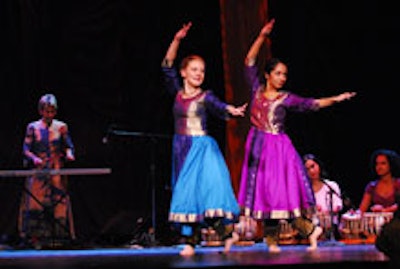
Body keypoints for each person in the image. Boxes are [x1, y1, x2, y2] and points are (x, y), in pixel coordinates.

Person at [237, 18, 356, 252]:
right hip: (258, 147)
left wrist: (336, 99)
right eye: (279, 73)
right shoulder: (256, 90)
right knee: (265, 196)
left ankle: (307, 231)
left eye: (285, 74)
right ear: (268, 74)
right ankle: (273, 241)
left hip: (277, 149)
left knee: (278, 196)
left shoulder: (286, 98)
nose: (283, 78)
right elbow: (249, 61)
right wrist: (261, 36)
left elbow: (312, 104)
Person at [161, 22, 247, 256]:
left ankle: (191, 242)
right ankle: (226, 236)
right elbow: (166, 66)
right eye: (194, 69)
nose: (199, 74)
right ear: (184, 72)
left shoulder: (205, 96)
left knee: (200, 196)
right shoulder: (177, 93)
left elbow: (219, 107)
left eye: (202, 70)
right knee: (188, 198)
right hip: (181, 147)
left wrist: (232, 110)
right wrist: (177, 40)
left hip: (201, 148)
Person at [19, 93, 76, 248]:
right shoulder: (33, 127)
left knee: (59, 202)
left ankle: (59, 236)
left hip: (56, 168)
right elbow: (26, 149)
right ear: (41, 111)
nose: (49, 114)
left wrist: (70, 154)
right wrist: (34, 158)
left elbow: (69, 145)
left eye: (52, 111)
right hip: (39, 170)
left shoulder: (61, 127)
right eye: (46, 111)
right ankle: (35, 237)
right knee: (36, 203)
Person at [303, 153, 343, 240]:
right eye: (307, 169)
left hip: (331, 228)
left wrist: (325, 212)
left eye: (313, 166)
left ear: (319, 165)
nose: (311, 171)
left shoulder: (331, 186)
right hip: (311, 229)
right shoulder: (303, 191)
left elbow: (338, 206)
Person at [357, 149, 400, 213]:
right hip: (378, 222)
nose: (379, 167)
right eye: (377, 164)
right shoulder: (372, 186)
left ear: (391, 165)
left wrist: (384, 210)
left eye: (383, 163)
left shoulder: (398, 183)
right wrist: (353, 214)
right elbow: (362, 210)